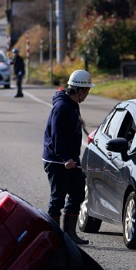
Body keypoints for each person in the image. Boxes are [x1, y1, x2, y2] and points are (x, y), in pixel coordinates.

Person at [42, 69, 94, 245]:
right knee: (58, 197)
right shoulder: (62, 107)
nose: (87, 94)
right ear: (80, 90)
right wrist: (65, 159)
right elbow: (56, 137)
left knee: (78, 193)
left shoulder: (73, 105)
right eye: (87, 91)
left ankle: (69, 233)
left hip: (71, 158)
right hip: (57, 160)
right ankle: (54, 236)